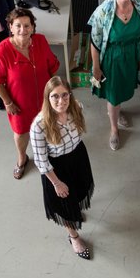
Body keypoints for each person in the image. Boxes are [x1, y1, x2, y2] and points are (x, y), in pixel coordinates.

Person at [0, 8, 59, 179]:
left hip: (45, 99)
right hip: (19, 103)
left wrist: (55, 94)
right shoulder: (1, 51)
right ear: (10, 27)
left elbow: (52, 66)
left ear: (33, 27)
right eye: (18, 25)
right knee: (21, 132)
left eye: (27, 25)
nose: (23, 30)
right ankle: (22, 158)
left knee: (49, 125)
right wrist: (8, 102)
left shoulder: (41, 41)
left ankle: (50, 153)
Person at [30, 76, 94, 260]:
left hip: (77, 157)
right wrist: (56, 183)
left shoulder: (76, 108)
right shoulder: (39, 126)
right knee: (65, 204)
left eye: (65, 95)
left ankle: (75, 211)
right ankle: (73, 237)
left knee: (79, 191)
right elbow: (41, 161)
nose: (61, 101)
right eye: (55, 96)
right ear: (47, 98)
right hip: (56, 168)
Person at [88, 0, 140, 151]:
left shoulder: (139, 5)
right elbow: (94, 42)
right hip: (112, 59)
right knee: (114, 95)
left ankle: (116, 111)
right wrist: (96, 67)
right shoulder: (104, 11)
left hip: (131, 56)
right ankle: (114, 129)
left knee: (122, 90)